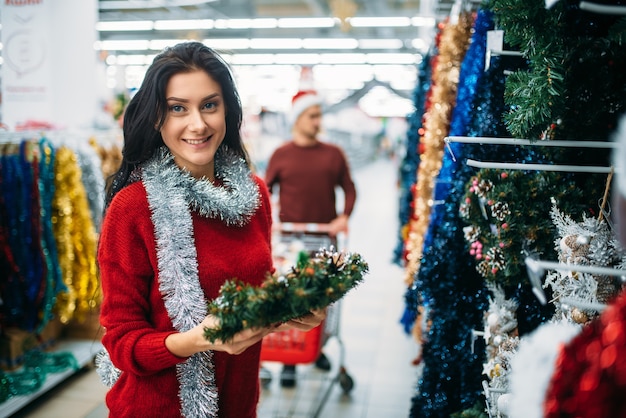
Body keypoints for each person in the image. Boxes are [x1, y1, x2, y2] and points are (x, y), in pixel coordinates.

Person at [96, 41, 325, 418]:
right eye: (177, 109)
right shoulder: (133, 208)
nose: (198, 124)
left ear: (227, 110)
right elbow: (121, 342)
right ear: (157, 117)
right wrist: (200, 339)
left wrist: (296, 306)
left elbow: (254, 295)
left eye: (209, 105)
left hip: (239, 405)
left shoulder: (253, 195)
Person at [264, 89, 357, 387]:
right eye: (313, 115)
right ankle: (290, 359)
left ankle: (315, 349)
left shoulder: (333, 154)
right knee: (292, 297)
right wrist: (268, 219)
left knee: (321, 298)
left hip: (323, 240)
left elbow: (350, 188)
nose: (318, 121)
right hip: (290, 241)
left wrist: (344, 217)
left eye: (319, 115)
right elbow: (264, 191)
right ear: (298, 118)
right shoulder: (282, 154)